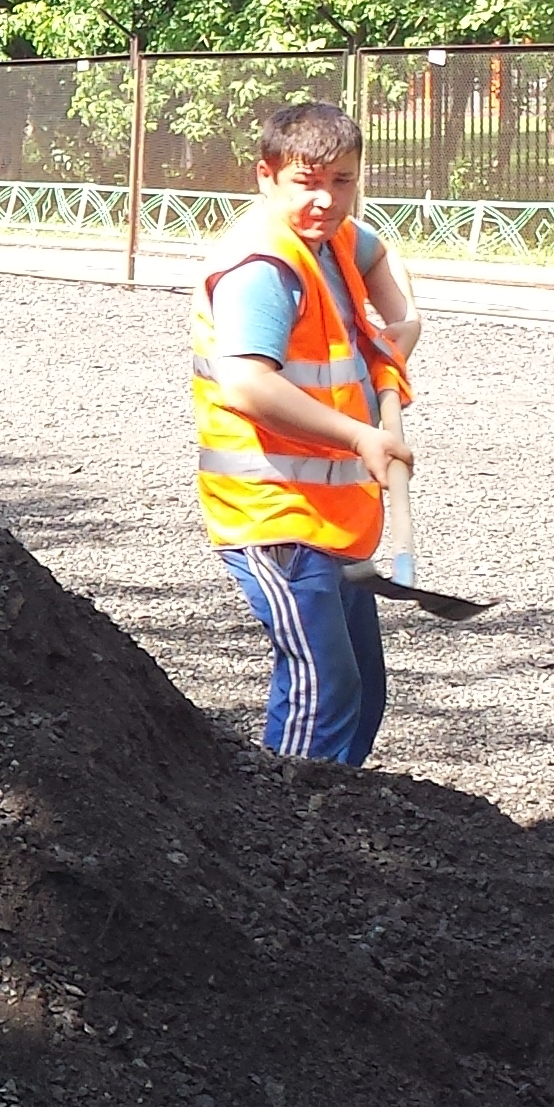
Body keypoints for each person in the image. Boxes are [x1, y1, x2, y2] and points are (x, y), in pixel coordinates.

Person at [190, 99, 420, 767]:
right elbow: (247, 386)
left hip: (332, 517)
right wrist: (361, 438)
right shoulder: (264, 269)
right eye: (307, 182)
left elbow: (381, 254)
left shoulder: (332, 240)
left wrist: (403, 324)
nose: (326, 199)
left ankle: (338, 832)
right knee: (324, 689)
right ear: (267, 176)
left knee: (362, 691)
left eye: (342, 181)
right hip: (276, 512)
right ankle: (280, 836)